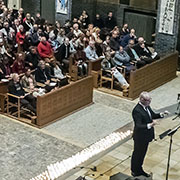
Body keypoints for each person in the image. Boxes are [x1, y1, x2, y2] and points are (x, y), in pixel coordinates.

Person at [131, 91, 169, 177]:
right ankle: (134, 171)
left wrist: (162, 114)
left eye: (150, 100)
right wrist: (151, 124)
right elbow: (138, 125)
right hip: (140, 136)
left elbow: (153, 115)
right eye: (147, 100)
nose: (149, 102)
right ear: (141, 99)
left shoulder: (147, 106)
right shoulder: (137, 110)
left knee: (142, 154)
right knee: (137, 154)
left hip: (146, 136)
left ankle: (139, 169)